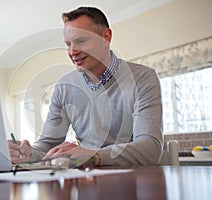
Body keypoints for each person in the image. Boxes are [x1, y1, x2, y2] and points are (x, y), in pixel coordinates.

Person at [8, 6, 163, 166]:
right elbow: (48, 146)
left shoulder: (143, 78)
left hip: (133, 181)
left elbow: (150, 148)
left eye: (81, 41)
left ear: (106, 37)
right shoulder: (64, 87)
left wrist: (93, 156)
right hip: (86, 181)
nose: (72, 52)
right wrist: (29, 153)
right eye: (68, 44)